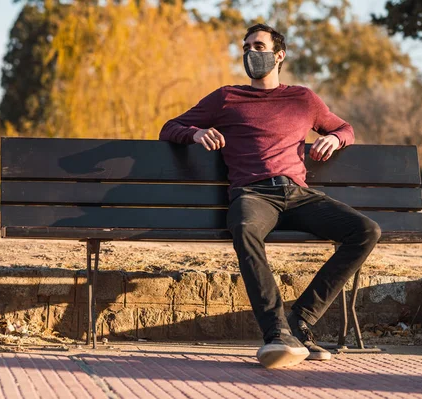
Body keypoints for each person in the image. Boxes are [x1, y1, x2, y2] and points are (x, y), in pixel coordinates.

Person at [159, 24, 381, 369]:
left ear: (278, 55)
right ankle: (276, 333)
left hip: (298, 195)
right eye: (246, 47)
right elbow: (169, 127)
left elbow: (345, 127)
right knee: (245, 228)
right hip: (253, 194)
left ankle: (300, 321)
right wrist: (197, 132)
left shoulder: (303, 99)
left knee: (366, 230)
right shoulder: (225, 98)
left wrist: (335, 139)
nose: (251, 54)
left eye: (258, 46)